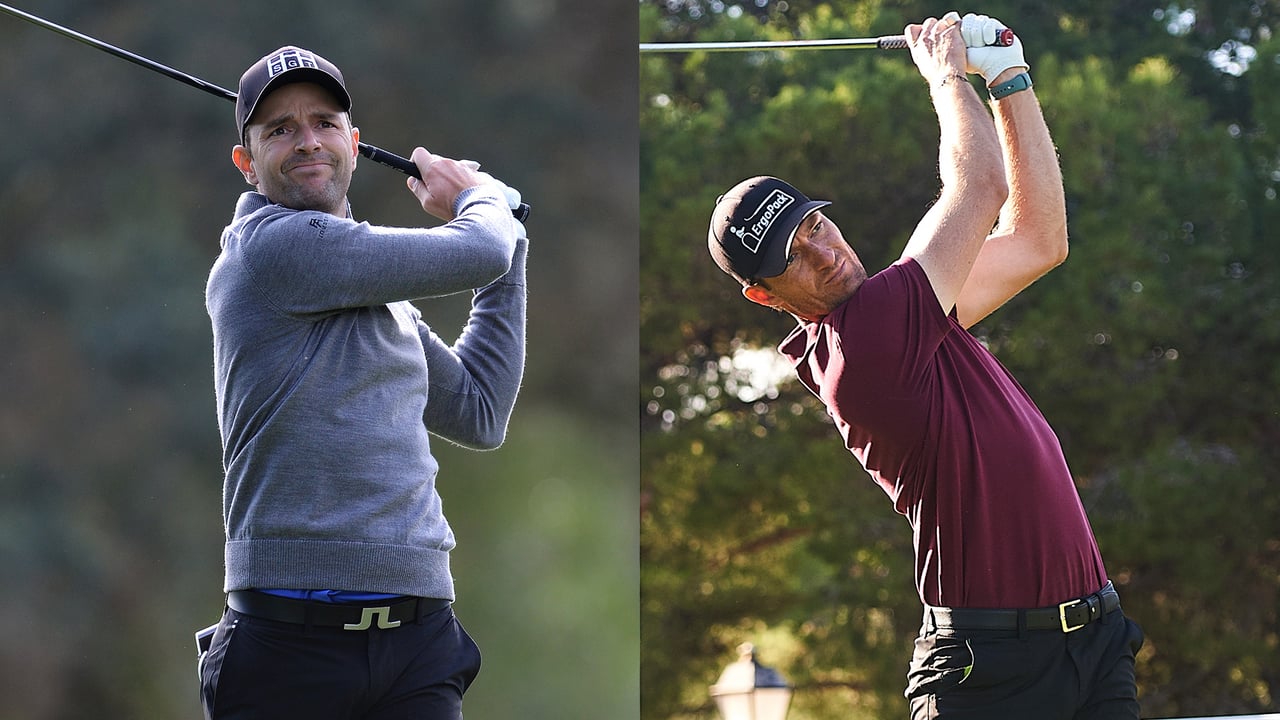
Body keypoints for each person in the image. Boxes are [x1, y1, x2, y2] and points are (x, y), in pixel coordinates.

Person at [706, 13, 1143, 720]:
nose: (823, 252)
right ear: (764, 294)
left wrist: (1009, 79)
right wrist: (946, 75)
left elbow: (1038, 241)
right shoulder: (867, 342)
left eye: (814, 224)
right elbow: (978, 192)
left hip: (1093, 642)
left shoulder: (907, 318)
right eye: (792, 257)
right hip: (991, 673)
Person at [199, 45, 527, 720]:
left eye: (322, 122)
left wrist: (512, 245)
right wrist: (485, 200)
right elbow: (478, 247)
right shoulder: (270, 249)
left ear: (353, 143)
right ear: (247, 162)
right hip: (288, 650)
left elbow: (479, 410)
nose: (306, 140)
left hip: (417, 645)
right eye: (280, 129)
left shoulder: (381, 298)